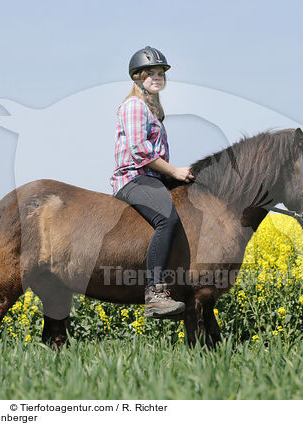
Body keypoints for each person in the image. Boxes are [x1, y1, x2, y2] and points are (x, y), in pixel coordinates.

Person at [109, 46, 195, 318]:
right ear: (137, 77)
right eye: (150, 73)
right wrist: (175, 171)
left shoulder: (153, 109)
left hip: (152, 178)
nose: (157, 77)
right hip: (134, 178)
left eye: (161, 73)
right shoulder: (134, 106)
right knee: (166, 219)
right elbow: (140, 151)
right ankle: (155, 293)